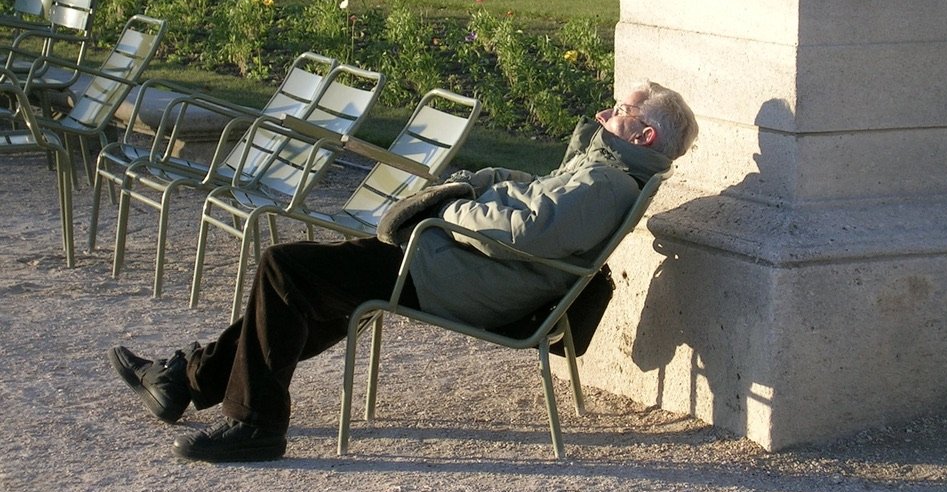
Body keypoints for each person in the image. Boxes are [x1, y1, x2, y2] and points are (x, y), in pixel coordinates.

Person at [108, 81, 698, 463]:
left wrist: (445, 206)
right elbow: (524, 202)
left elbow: (522, 231)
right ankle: (187, 380)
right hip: (455, 265)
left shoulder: (602, 182)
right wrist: (480, 184)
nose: (602, 111)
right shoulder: (600, 170)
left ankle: (256, 423)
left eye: (618, 111)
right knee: (308, 295)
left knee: (284, 267)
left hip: (456, 273)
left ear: (644, 135)